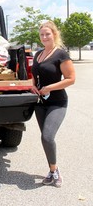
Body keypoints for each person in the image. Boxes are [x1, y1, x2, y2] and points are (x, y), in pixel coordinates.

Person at [30, 21, 75, 188]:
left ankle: (55, 171)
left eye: (47, 34)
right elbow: (34, 73)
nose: (44, 37)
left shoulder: (61, 54)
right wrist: (32, 85)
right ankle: (51, 169)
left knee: (47, 136)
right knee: (46, 139)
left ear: (54, 34)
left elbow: (71, 79)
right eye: (42, 34)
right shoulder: (38, 54)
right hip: (40, 103)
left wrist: (49, 87)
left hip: (57, 102)